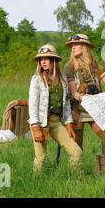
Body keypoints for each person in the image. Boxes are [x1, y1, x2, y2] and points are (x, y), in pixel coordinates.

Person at [65, 34, 105, 172]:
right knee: (76, 149)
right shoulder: (70, 66)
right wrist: (78, 95)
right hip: (77, 112)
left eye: (76, 44)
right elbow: (73, 90)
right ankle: (74, 179)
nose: (73, 47)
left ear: (84, 46)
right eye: (72, 45)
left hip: (95, 111)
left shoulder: (93, 63)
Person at [28, 44, 82, 172]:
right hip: (41, 122)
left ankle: (74, 180)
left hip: (56, 122)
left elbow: (67, 103)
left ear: (54, 60)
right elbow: (33, 105)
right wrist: (35, 126)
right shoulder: (36, 79)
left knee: (76, 152)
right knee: (41, 157)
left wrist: (69, 123)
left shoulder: (62, 78)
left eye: (47, 58)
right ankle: (36, 185)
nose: (44, 61)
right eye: (41, 59)